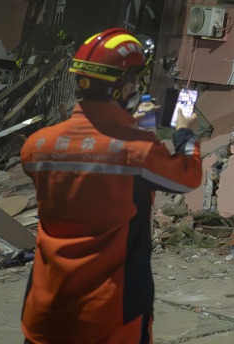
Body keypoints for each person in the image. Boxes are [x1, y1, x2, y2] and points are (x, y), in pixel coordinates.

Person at [20, 28, 204, 344]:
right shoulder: (139, 153)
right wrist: (186, 132)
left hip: (45, 312)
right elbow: (186, 177)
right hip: (108, 318)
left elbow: (96, 151)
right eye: (136, 84)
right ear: (124, 88)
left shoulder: (37, 146)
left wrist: (132, 124)